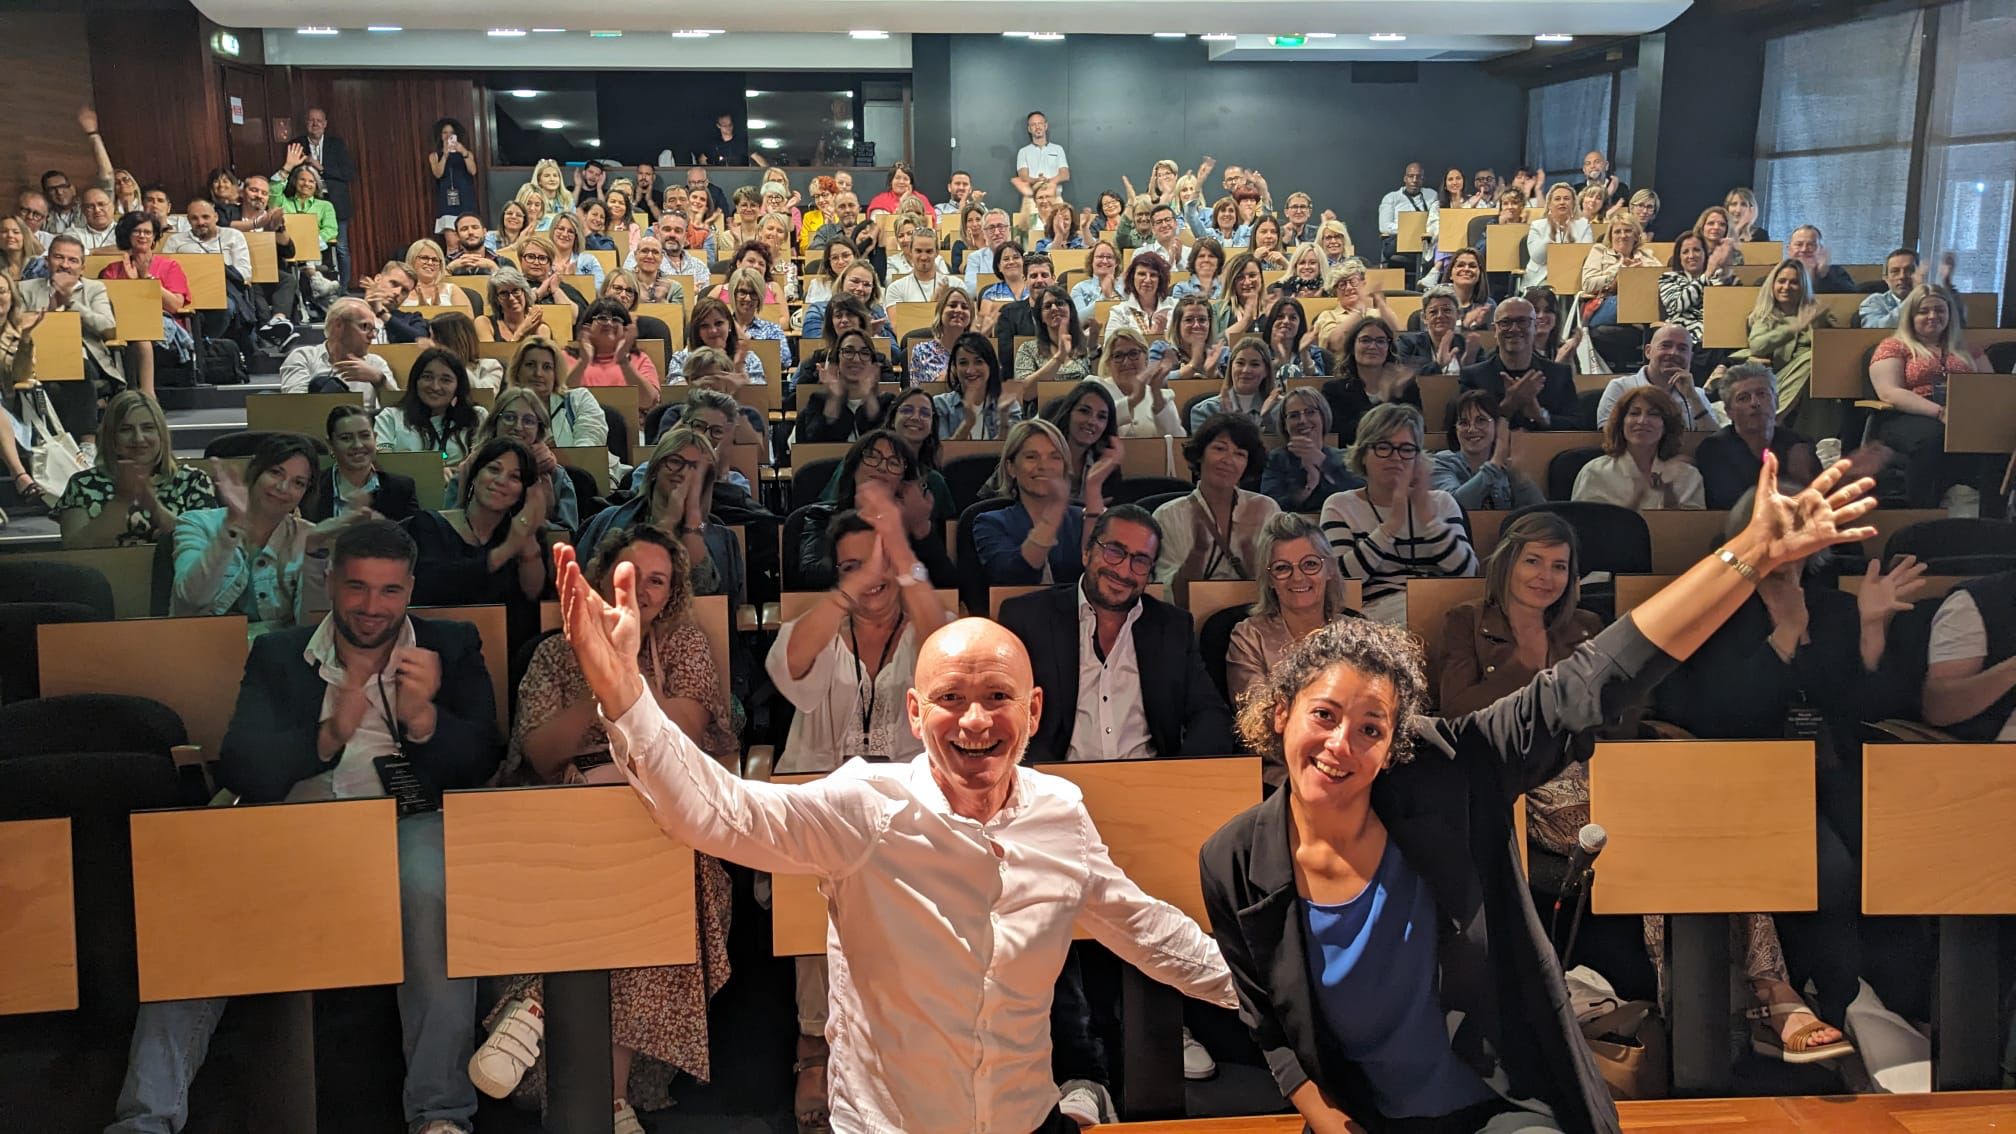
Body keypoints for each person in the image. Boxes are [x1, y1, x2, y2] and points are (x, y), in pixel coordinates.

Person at [1205, 456, 1879, 1134]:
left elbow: (1596, 679)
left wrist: (1750, 556)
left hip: (1491, 1106)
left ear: (1394, 744)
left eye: (1371, 727)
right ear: (1279, 713)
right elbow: (1273, 1029)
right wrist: (1330, 1122)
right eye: (1323, 715)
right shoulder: (1233, 860)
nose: (1341, 744)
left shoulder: (1450, 772)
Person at [107, 518, 496, 1134]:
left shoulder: (451, 645)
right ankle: (145, 1119)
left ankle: (440, 1114)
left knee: (431, 889)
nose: (372, 607)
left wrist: (424, 724)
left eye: (390, 590)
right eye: (358, 587)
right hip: (295, 823)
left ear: (410, 588)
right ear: (331, 581)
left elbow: (482, 764)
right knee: (193, 898)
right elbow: (244, 767)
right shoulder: (281, 652)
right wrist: (329, 736)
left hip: (407, 822)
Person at [473, 527, 732, 1134]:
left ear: (670, 595)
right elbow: (539, 754)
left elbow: (687, 735)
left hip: (664, 804)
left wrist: (626, 678)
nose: (639, 591)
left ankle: (536, 1006)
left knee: (653, 883)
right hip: (572, 804)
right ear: (598, 576)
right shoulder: (552, 653)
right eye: (626, 574)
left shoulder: (686, 644)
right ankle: (609, 1100)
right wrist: (600, 677)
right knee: (597, 880)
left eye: (656, 581)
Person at [1654, 492, 1925, 1040]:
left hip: (1832, 769)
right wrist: (1782, 638)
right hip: (1743, 779)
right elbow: (1712, 713)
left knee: (1907, 854)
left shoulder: (1833, 607)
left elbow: (1871, 709)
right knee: (1834, 869)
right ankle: (1836, 999)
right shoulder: (1710, 609)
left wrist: (1871, 630)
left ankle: (1897, 1010)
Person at [998, 503, 1238, 766]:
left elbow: (1210, 714)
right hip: (1056, 787)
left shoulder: (1171, 626)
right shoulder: (1028, 618)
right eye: (1115, 552)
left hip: (1150, 785)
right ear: (1087, 552)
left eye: (1140, 560)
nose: (1124, 571)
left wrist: (1177, 776)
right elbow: (1004, 710)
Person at [1321, 403, 1477, 625]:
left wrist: (1429, 520)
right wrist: (1391, 525)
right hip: (1374, 619)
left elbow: (1468, 573)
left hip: (1442, 611)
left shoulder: (1441, 503)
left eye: (1406, 449)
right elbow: (1342, 582)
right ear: (1363, 454)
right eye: (1384, 447)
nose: (1396, 457)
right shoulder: (1340, 506)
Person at [170, 435, 347, 631]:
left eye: (298, 483)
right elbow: (191, 597)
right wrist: (231, 528)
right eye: (275, 473)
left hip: (273, 654)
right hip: (199, 645)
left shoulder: (308, 537)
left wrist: (314, 554)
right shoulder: (196, 523)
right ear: (255, 470)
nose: (282, 487)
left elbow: (310, 628)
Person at [1226, 514, 1353, 777]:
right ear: (1270, 580)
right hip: (1281, 776)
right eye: (1283, 568)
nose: (1298, 577)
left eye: (1309, 564)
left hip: (1352, 766)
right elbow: (1260, 724)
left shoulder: (1356, 633)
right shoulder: (1249, 636)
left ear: (1329, 569)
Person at [407, 436, 551, 652]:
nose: (501, 480)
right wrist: (507, 549)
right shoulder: (428, 526)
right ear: (474, 476)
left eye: (515, 477)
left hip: (507, 650)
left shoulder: (525, 535)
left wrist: (527, 530)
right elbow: (431, 589)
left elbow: (534, 598)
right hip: (436, 648)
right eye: (494, 469)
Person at [579, 426, 743, 616]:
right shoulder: (609, 520)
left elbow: (706, 599)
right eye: (675, 462)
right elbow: (596, 586)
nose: (683, 473)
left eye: (695, 468)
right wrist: (669, 521)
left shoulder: (722, 538)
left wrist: (692, 519)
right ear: (656, 467)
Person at [1867, 285, 1997, 513]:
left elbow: (1991, 387)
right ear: (1910, 316)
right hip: (1909, 415)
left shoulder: (1967, 349)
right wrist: (1939, 412)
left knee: (1998, 440)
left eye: (1939, 310)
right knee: (1934, 440)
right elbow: (1889, 392)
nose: (1932, 316)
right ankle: (1922, 513)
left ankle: (1989, 516)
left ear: (1949, 313)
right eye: (1923, 311)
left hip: (1964, 415)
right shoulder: (1894, 346)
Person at [55, 390, 213, 549]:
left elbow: (208, 545)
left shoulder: (193, 481)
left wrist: (153, 506)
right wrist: (121, 501)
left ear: (161, 435)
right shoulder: (82, 484)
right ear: (111, 437)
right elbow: (74, 550)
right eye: (126, 429)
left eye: (148, 428)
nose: (138, 438)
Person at [973, 418, 1119, 588]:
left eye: (1054, 457)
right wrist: (1054, 511)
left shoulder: (1083, 517)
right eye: (1031, 457)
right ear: (1010, 467)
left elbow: (1097, 573)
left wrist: (1093, 488)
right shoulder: (990, 523)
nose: (1044, 466)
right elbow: (1015, 576)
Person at [1152, 414, 1280, 586]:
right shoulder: (1167, 515)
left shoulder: (1266, 508)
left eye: (1239, 454)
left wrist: (1249, 551)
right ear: (1200, 454)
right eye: (1220, 449)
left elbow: (1278, 586)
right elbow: (1167, 595)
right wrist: (1198, 553)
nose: (1228, 460)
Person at [17, 232, 120, 443]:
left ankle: (87, 441)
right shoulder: (25, 289)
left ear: (82, 267)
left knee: (76, 368)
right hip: (37, 357)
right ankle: (42, 442)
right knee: (40, 376)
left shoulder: (94, 289)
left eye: (72, 260)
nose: (65, 265)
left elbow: (108, 328)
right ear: (47, 261)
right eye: (59, 257)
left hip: (84, 358)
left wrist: (71, 302)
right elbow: (16, 326)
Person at [1693, 364, 1821, 511]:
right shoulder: (1713, 449)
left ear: (1776, 401)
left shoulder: (1798, 443)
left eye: (1762, 394)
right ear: (1729, 411)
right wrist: (1795, 483)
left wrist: (1806, 478)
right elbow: (1732, 504)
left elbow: (1821, 502)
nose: (1755, 403)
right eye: (1743, 398)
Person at [1457, 297, 1585, 431]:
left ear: (1535, 327)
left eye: (1522, 321)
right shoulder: (1473, 377)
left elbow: (1577, 426)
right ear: (1495, 330)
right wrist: (1509, 405)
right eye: (1505, 322)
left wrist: (1539, 414)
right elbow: (1464, 428)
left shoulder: (1559, 374)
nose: (1514, 329)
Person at [1573, 384, 1706, 510]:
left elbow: (1692, 529)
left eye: (1653, 414)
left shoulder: (1687, 475)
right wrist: (1636, 498)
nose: (1642, 421)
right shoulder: (1594, 472)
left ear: (1667, 426)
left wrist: (1670, 498)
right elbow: (1587, 528)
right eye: (1634, 413)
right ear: (1621, 422)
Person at [1746, 259, 1836, 426]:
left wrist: (1817, 323)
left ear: (1803, 287)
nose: (1786, 287)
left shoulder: (1815, 314)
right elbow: (1757, 346)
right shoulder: (1766, 316)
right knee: (1813, 359)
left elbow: (1833, 348)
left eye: (1794, 282)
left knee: (1818, 364)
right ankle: (1775, 416)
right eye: (1781, 281)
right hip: (1779, 377)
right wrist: (1796, 327)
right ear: (1772, 285)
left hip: (1815, 380)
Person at [278, 108, 355, 286]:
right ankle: (306, 290)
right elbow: (289, 174)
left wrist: (320, 167)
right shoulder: (296, 144)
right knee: (299, 246)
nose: (315, 124)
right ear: (306, 123)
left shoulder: (336, 144)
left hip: (334, 203)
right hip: (303, 203)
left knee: (341, 248)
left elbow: (348, 173)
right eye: (311, 120)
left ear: (325, 124)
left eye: (319, 121)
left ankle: (342, 289)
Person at [1433, 389, 1544, 511]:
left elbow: (1540, 514)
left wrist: (1518, 475)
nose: (1472, 429)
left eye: (1481, 420)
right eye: (1464, 423)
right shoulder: (1441, 463)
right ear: (1455, 429)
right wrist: (1496, 461)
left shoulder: (1507, 468)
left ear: (1496, 426)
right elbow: (1455, 507)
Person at [307, 404, 421, 523]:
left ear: (375, 438)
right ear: (331, 444)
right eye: (346, 438)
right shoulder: (312, 488)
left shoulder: (401, 489)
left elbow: (412, 538)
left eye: (365, 436)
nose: (358, 445)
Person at [279, 297, 397, 410]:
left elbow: (398, 411)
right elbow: (297, 408)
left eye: (374, 330)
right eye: (365, 326)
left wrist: (379, 381)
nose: (372, 336)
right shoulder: (304, 357)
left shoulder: (376, 364)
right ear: (339, 325)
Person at [376, 348, 487, 467]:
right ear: (416, 380)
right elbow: (384, 466)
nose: (435, 387)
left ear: (458, 386)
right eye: (427, 377)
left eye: (445, 380)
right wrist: (434, 472)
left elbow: (484, 465)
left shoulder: (477, 417)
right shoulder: (390, 417)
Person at [1262, 386, 1361, 513]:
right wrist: (1309, 485)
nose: (1302, 420)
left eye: (1310, 412)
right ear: (1285, 425)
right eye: (1294, 415)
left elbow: (1360, 495)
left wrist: (1322, 462)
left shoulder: (1344, 457)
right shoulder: (1276, 459)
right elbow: (1271, 507)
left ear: (1323, 417)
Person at [1596, 324, 1713, 430]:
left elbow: (1713, 442)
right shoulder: (1620, 388)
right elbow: (1609, 438)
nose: (1673, 353)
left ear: (1690, 357)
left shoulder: (1697, 395)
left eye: (1682, 349)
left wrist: (1692, 397)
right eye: (1665, 345)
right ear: (1648, 351)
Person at [503, 336, 608, 455]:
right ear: (517, 372)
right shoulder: (505, 409)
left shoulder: (579, 399)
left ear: (556, 374)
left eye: (547, 367)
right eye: (530, 365)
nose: (538, 373)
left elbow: (589, 448)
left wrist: (555, 458)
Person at [563, 298, 662, 414]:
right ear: (587, 326)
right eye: (602, 318)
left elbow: (649, 401)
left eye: (616, 319)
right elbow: (560, 397)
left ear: (625, 329)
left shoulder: (639, 359)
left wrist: (624, 362)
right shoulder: (567, 357)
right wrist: (583, 361)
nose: (609, 323)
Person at [1041, 380, 1121, 503]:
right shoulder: (1042, 454)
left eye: (1101, 417)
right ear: (1069, 413)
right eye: (1084, 411)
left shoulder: (1106, 462)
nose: (1092, 422)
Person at [1656, 229, 1738, 350]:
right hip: (1683, 339)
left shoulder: (1719, 278)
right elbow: (1677, 305)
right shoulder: (1668, 278)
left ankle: (1721, 365)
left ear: (1705, 253)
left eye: (1696, 250)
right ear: (1679, 257)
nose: (1691, 256)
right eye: (1685, 252)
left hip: (1715, 337)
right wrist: (1707, 274)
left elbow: (1722, 310)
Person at [1097, 325, 1184, 437]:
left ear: (1146, 358)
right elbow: (1093, 421)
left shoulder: (1163, 396)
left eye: (1133, 354)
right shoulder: (1095, 387)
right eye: (1118, 356)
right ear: (1108, 362)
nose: (1126, 362)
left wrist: (1157, 396)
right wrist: (1133, 400)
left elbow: (1177, 440)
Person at [934, 332, 1021, 441]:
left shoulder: (1008, 405)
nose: (970, 370)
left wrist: (1004, 420)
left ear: (991, 366)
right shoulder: (940, 405)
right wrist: (967, 424)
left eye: (978, 362)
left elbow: (1011, 451)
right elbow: (943, 454)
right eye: (963, 363)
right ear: (954, 368)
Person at [1578, 214, 1659, 327]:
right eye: (1617, 232)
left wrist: (1641, 272)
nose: (1622, 235)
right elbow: (1587, 284)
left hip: (1642, 305)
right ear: (1610, 236)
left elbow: (1662, 280)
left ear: (1636, 236)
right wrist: (1622, 272)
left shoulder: (1646, 255)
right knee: (1627, 304)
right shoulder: (1599, 252)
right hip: (1605, 304)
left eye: (1627, 231)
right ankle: (1641, 325)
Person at [1189, 334, 1279, 433]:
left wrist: (1266, 418)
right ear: (1231, 366)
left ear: (1266, 371)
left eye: (1254, 364)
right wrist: (1229, 418)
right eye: (1240, 363)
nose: (1245, 370)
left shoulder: (1278, 410)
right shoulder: (1205, 410)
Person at [1015, 283, 1094, 387]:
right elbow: (1024, 392)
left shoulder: (1087, 346)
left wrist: (1094, 348)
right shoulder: (1028, 349)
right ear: (1041, 317)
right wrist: (1059, 357)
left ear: (1071, 310)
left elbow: (1101, 385)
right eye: (1047, 306)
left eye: (1060, 303)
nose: (1054, 308)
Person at [1521, 183, 1595, 292]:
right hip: (1542, 277)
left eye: (1566, 199)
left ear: (1573, 203)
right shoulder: (1537, 225)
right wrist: (1552, 233)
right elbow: (1537, 258)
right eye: (1557, 199)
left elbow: (1586, 256)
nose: (1562, 202)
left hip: (1574, 276)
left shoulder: (1583, 225)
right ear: (1550, 204)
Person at [1858, 248, 1949, 330]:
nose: (1902, 276)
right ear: (1886, 278)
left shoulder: (1934, 302)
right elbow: (1878, 331)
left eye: (1909, 270)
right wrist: (1914, 296)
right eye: (1895, 271)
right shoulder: (1874, 302)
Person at [904, 287, 974, 390]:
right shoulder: (922, 351)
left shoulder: (976, 351)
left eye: (964, 307)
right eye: (953, 305)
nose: (959, 310)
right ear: (940, 311)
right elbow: (921, 393)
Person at [1376, 163, 1438, 276]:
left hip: (1426, 240)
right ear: (1405, 178)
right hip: (1399, 241)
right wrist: (1409, 230)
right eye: (1411, 176)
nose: (1414, 180)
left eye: (1418, 177)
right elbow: (1384, 226)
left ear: (1423, 179)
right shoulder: (1391, 198)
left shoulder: (1432, 195)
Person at [426, 118, 479, 236]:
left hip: (465, 198)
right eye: (445, 132)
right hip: (447, 200)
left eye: (451, 133)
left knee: (468, 237)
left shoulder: (467, 153)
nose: (448, 136)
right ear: (440, 135)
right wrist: (445, 155)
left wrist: (463, 152)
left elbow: (473, 171)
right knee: (451, 240)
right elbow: (437, 173)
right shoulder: (434, 155)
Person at [1013, 109, 1071, 203]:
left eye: (1040, 123)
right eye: (1033, 124)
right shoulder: (1023, 152)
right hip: (1032, 200)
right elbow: (1023, 177)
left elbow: (1065, 174)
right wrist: (1037, 181)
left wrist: (1047, 182)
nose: (1037, 127)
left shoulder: (1058, 149)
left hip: (1055, 198)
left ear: (1046, 126)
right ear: (1029, 129)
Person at [1786, 225, 1858, 295]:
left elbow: (1854, 296)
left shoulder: (1835, 272)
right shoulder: (1780, 272)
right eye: (1798, 244)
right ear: (1789, 249)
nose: (1804, 249)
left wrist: (1823, 275)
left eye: (1811, 245)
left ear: (1820, 249)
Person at [1071, 239, 1125, 320]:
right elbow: (1078, 321)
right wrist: (1104, 297)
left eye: (1109, 257)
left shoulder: (1127, 285)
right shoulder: (1079, 288)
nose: (1105, 261)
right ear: (1091, 261)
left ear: (1116, 263)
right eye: (1100, 256)